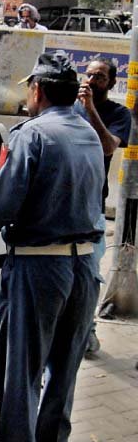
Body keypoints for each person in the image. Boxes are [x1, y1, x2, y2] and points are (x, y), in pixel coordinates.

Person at [0, 52, 103, 442]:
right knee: (63, 371)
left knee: (21, 377)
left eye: (29, 89)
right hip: (83, 268)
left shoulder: (33, 135)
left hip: (40, 269)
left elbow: (0, 207)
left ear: (39, 90)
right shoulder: (87, 132)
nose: (26, 97)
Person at [74, 57, 132, 356]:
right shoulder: (69, 107)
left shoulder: (118, 113)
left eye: (99, 76)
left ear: (111, 83)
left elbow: (110, 146)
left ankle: (88, 332)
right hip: (63, 208)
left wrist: (91, 111)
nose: (92, 80)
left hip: (92, 209)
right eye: (89, 74)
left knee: (88, 276)